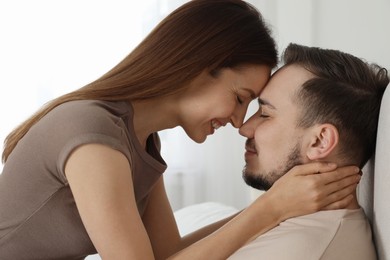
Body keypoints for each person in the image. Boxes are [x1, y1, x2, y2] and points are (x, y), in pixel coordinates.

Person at [0, 1, 360, 259]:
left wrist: (277, 203)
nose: (238, 121)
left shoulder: (140, 139)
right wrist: (270, 210)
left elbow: (170, 252)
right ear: (197, 68)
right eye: (239, 97)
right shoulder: (95, 137)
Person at [229, 43, 389, 260]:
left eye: (265, 114)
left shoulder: (300, 248)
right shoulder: (291, 222)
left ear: (320, 141)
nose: (244, 128)